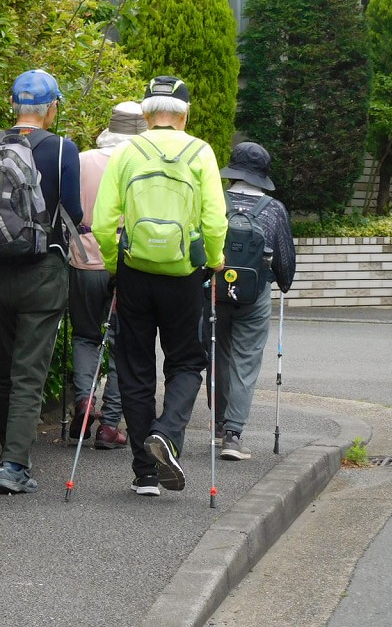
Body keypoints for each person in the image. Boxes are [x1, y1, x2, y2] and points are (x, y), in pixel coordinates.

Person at [92, 76, 226, 497]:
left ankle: (145, 473)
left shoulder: (127, 151)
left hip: (135, 273)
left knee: (133, 368)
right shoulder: (200, 151)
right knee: (186, 361)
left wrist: (117, 264)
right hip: (184, 274)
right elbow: (215, 220)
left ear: (146, 113)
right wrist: (214, 258)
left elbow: (101, 222)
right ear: (184, 114)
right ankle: (166, 434)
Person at [0, 69, 82, 494]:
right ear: (51, 108)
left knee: (4, 367)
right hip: (41, 272)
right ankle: (13, 465)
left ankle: (6, 451)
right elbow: (72, 210)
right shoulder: (63, 148)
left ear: (13, 105)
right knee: (30, 371)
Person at [66, 101, 148, 449]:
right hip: (126, 262)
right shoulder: (143, 163)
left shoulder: (82, 160)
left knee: (85, 336)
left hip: (82, 258)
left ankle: (85, 403)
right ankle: (110, 424)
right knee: (122, 344)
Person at [214, 142, 296, 460]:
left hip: (215, 290)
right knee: (245, 359)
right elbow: (285, 262)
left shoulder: (216, 201)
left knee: (218, 354)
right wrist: (284, 283)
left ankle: (220, 424)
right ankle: (233, 435)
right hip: (255, 294)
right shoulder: (273, 210)